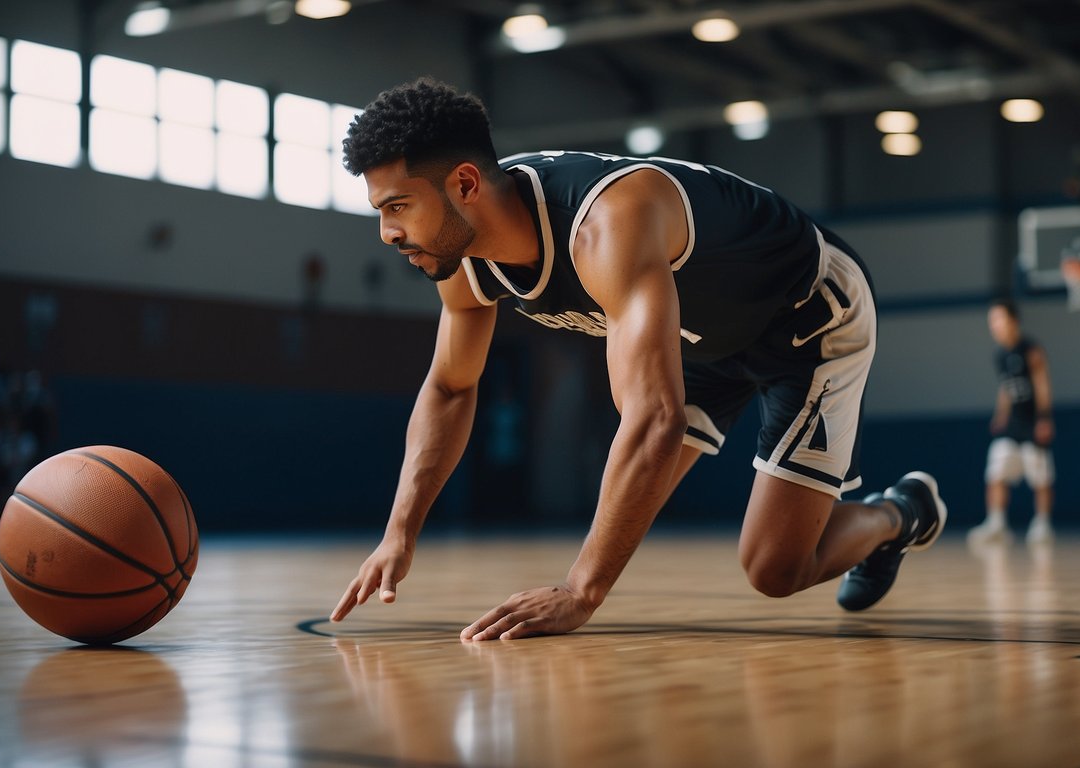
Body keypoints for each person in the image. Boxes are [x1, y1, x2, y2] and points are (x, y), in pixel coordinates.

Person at [329, 79, 946, 640]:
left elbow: (655, 420)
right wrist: (399, 533)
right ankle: (896, 515)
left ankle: (902, 513)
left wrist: (580, 591)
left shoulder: (605, 224)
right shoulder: (462, 262)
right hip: (698, 337)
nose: (387, 233)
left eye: (396, 207)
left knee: (774, 568)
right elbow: (450, 389)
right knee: (631, 480)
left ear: (464, 184)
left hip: (805, 320)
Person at [968, 299, 1054, 545]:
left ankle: (1043, 523)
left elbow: (1042, 383)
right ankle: (996, 523)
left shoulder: (1030, 349)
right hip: (1012, 424)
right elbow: (1006, 388)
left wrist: (1044, 418)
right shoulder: (1000, 354)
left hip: (1032, 421)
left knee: (1040, 475)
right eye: (991, 321)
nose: (994, 326)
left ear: (1013, 321)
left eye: (998, 319)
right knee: (995, 470)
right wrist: (1001, 415)